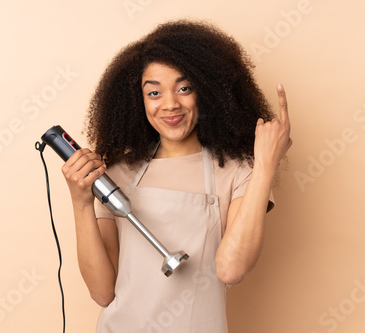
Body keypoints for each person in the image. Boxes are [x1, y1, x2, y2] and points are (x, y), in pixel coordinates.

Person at [61, 20, 292, 333]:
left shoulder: (238, 171)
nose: (170, 104)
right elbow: (103, 292)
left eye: (184, 88)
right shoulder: (116, 174)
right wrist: (81, 202)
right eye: (154, 92)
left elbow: (231, 269)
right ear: (138, 102)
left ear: (207, 91)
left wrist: (265, 162)